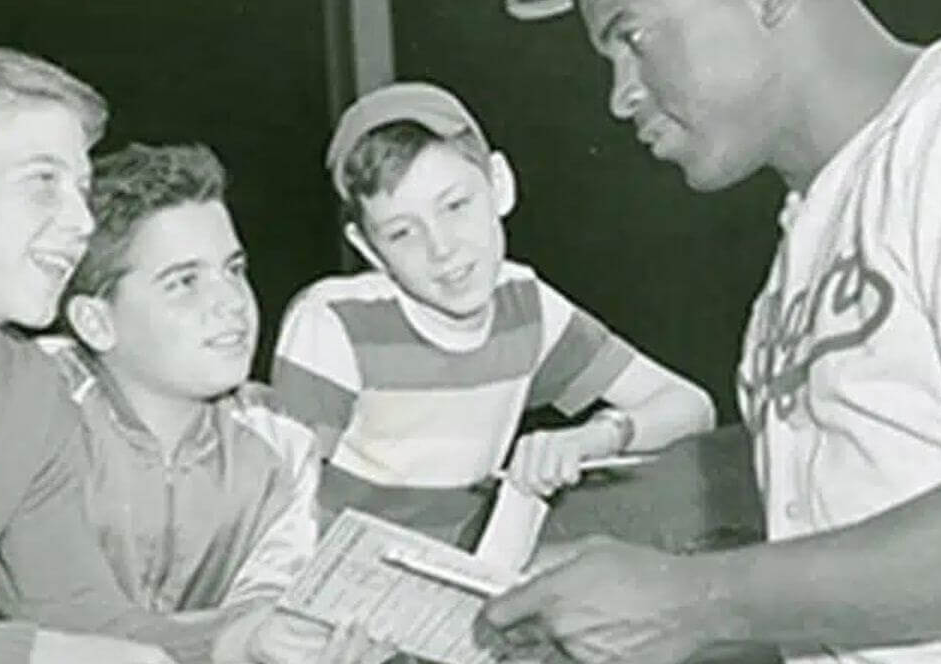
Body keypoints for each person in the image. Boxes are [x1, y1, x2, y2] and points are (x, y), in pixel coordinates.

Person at [477, 0, 941, 662]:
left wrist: (690, 602)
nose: (620, 95)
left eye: (631, 37)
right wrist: (609, 623)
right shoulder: (798, 259)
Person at [271, 81, 716, 522]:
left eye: (455, 206)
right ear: (368, 248)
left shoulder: (525, 308)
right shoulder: (334, 323)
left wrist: (592, 438)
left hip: (469, 559)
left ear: (500, 184)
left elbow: (691, 406)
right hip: (345, 564)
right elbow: (276, 502)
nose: (442, 248)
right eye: (402, 232)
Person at [38, 141, 393, 664]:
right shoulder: (30, 408)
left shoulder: (279, 442)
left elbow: (264, 607)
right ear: (96, 322)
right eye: (184, 282)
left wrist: (295, 646)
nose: (232, 302)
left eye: (234, 269)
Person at [0, 46, 180, 663]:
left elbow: (70, 609)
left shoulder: (29, 390)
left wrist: (238, 639)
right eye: (42, 183)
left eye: (82, 190)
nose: (83, 222)